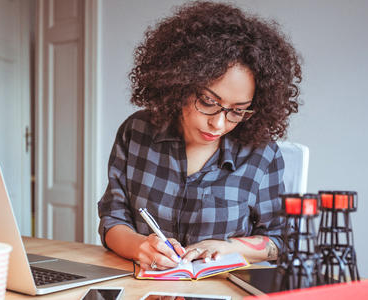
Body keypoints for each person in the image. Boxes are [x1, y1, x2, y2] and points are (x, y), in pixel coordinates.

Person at [98, 1, 301, 271]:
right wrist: (140, 246)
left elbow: (281, 238)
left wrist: (230, 247)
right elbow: (113, 219)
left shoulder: (261, 153)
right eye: (207, 102)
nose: (218, 123)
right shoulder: (136, 133)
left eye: (237, 111)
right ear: (180, 84)